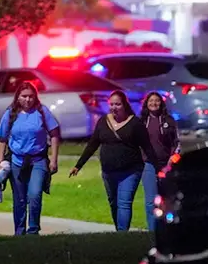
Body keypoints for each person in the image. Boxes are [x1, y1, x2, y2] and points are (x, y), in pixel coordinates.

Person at [70, 90, 155, 232]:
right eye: (112, 104)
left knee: (124, 203)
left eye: (118, 104)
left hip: (130, 171)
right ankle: (119, 232)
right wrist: (79, 165)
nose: (114, 107)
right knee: (114, 203)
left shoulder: (135, 123)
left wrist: (157, 168)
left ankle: (122, 235)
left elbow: (147, 146)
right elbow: (93, 144)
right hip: (108, 171)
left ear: (124, 105)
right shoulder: (103, 121)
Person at [0, 81, 60, 235]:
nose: (28, 100)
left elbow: (54, 134)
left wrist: (54, 159)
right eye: (24, 96)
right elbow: (2, 138)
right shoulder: (10, 114)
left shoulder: (42, 112)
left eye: (31, 96)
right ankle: (19, 231)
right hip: (17, 160)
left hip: (37, 160)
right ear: (17, 97)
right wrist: (0, 161)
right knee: (19, 199)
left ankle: (33, 230)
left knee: (35, 194)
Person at [139, 91, 180, 233]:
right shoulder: (142, 121)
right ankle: (152, 232)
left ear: (161, 103)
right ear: (146, 103)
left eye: (157, 101)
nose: (154, 103)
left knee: (167, 199)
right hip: (148, 164)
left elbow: (176, 143)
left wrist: (171, 159)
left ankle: (167, 230)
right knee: (151, 200)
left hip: (166, 165)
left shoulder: (169, 121)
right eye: (151, 101)